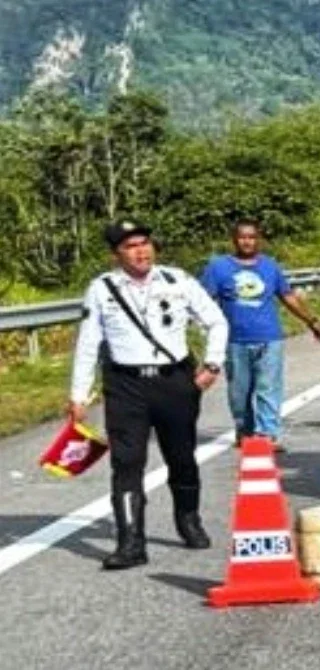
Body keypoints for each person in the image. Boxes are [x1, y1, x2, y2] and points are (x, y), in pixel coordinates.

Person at [68, 220, 229, 570]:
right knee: (126, 464)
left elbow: (216, 321)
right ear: (116, 255)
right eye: (130, 246)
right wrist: (79, 394)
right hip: (126, 385)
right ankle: (130, 542)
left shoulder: (177, 280)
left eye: (145, 243)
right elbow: (88, 343)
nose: (141, 251)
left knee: (182, 457)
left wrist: (213, 365)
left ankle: (188, 518)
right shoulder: (102, 289)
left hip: (174, 382)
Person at [200, 218, 320, 451]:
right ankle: (245, 430)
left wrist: (311, 321)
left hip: (269, 338)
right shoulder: (218, 267)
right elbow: (203, 302)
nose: (247, 242)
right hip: (235, 341)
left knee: (268, 388)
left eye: (251, 237)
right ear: (234, 240)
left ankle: (268, 434)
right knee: (239, 394)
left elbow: (287, 296)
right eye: (242, 237)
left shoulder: (270, 266)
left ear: (259, 240)